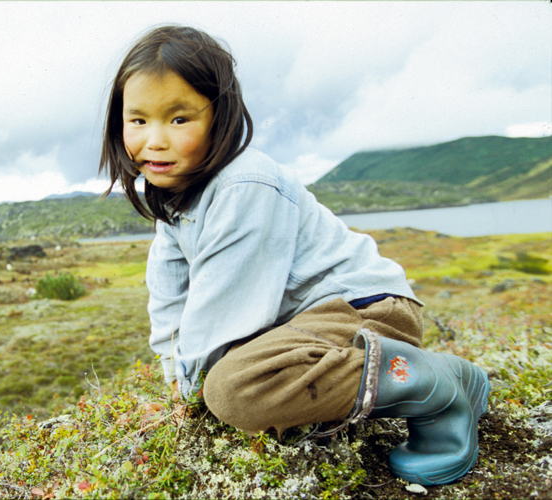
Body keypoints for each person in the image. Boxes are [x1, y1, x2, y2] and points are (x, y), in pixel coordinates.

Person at [99, 25, 490, 487]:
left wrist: (197, 394)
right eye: (138, 120)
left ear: (220, 117)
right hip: (308, 327)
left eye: (179, 119)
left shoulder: (245, 184)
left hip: (366, 311)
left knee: (231, 389)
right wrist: (177, 389)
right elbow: (169, 302)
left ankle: (435, 388)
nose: (154, 140)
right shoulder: (176, 198)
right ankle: (429, 373)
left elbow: (221, 311)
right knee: (222, 381)